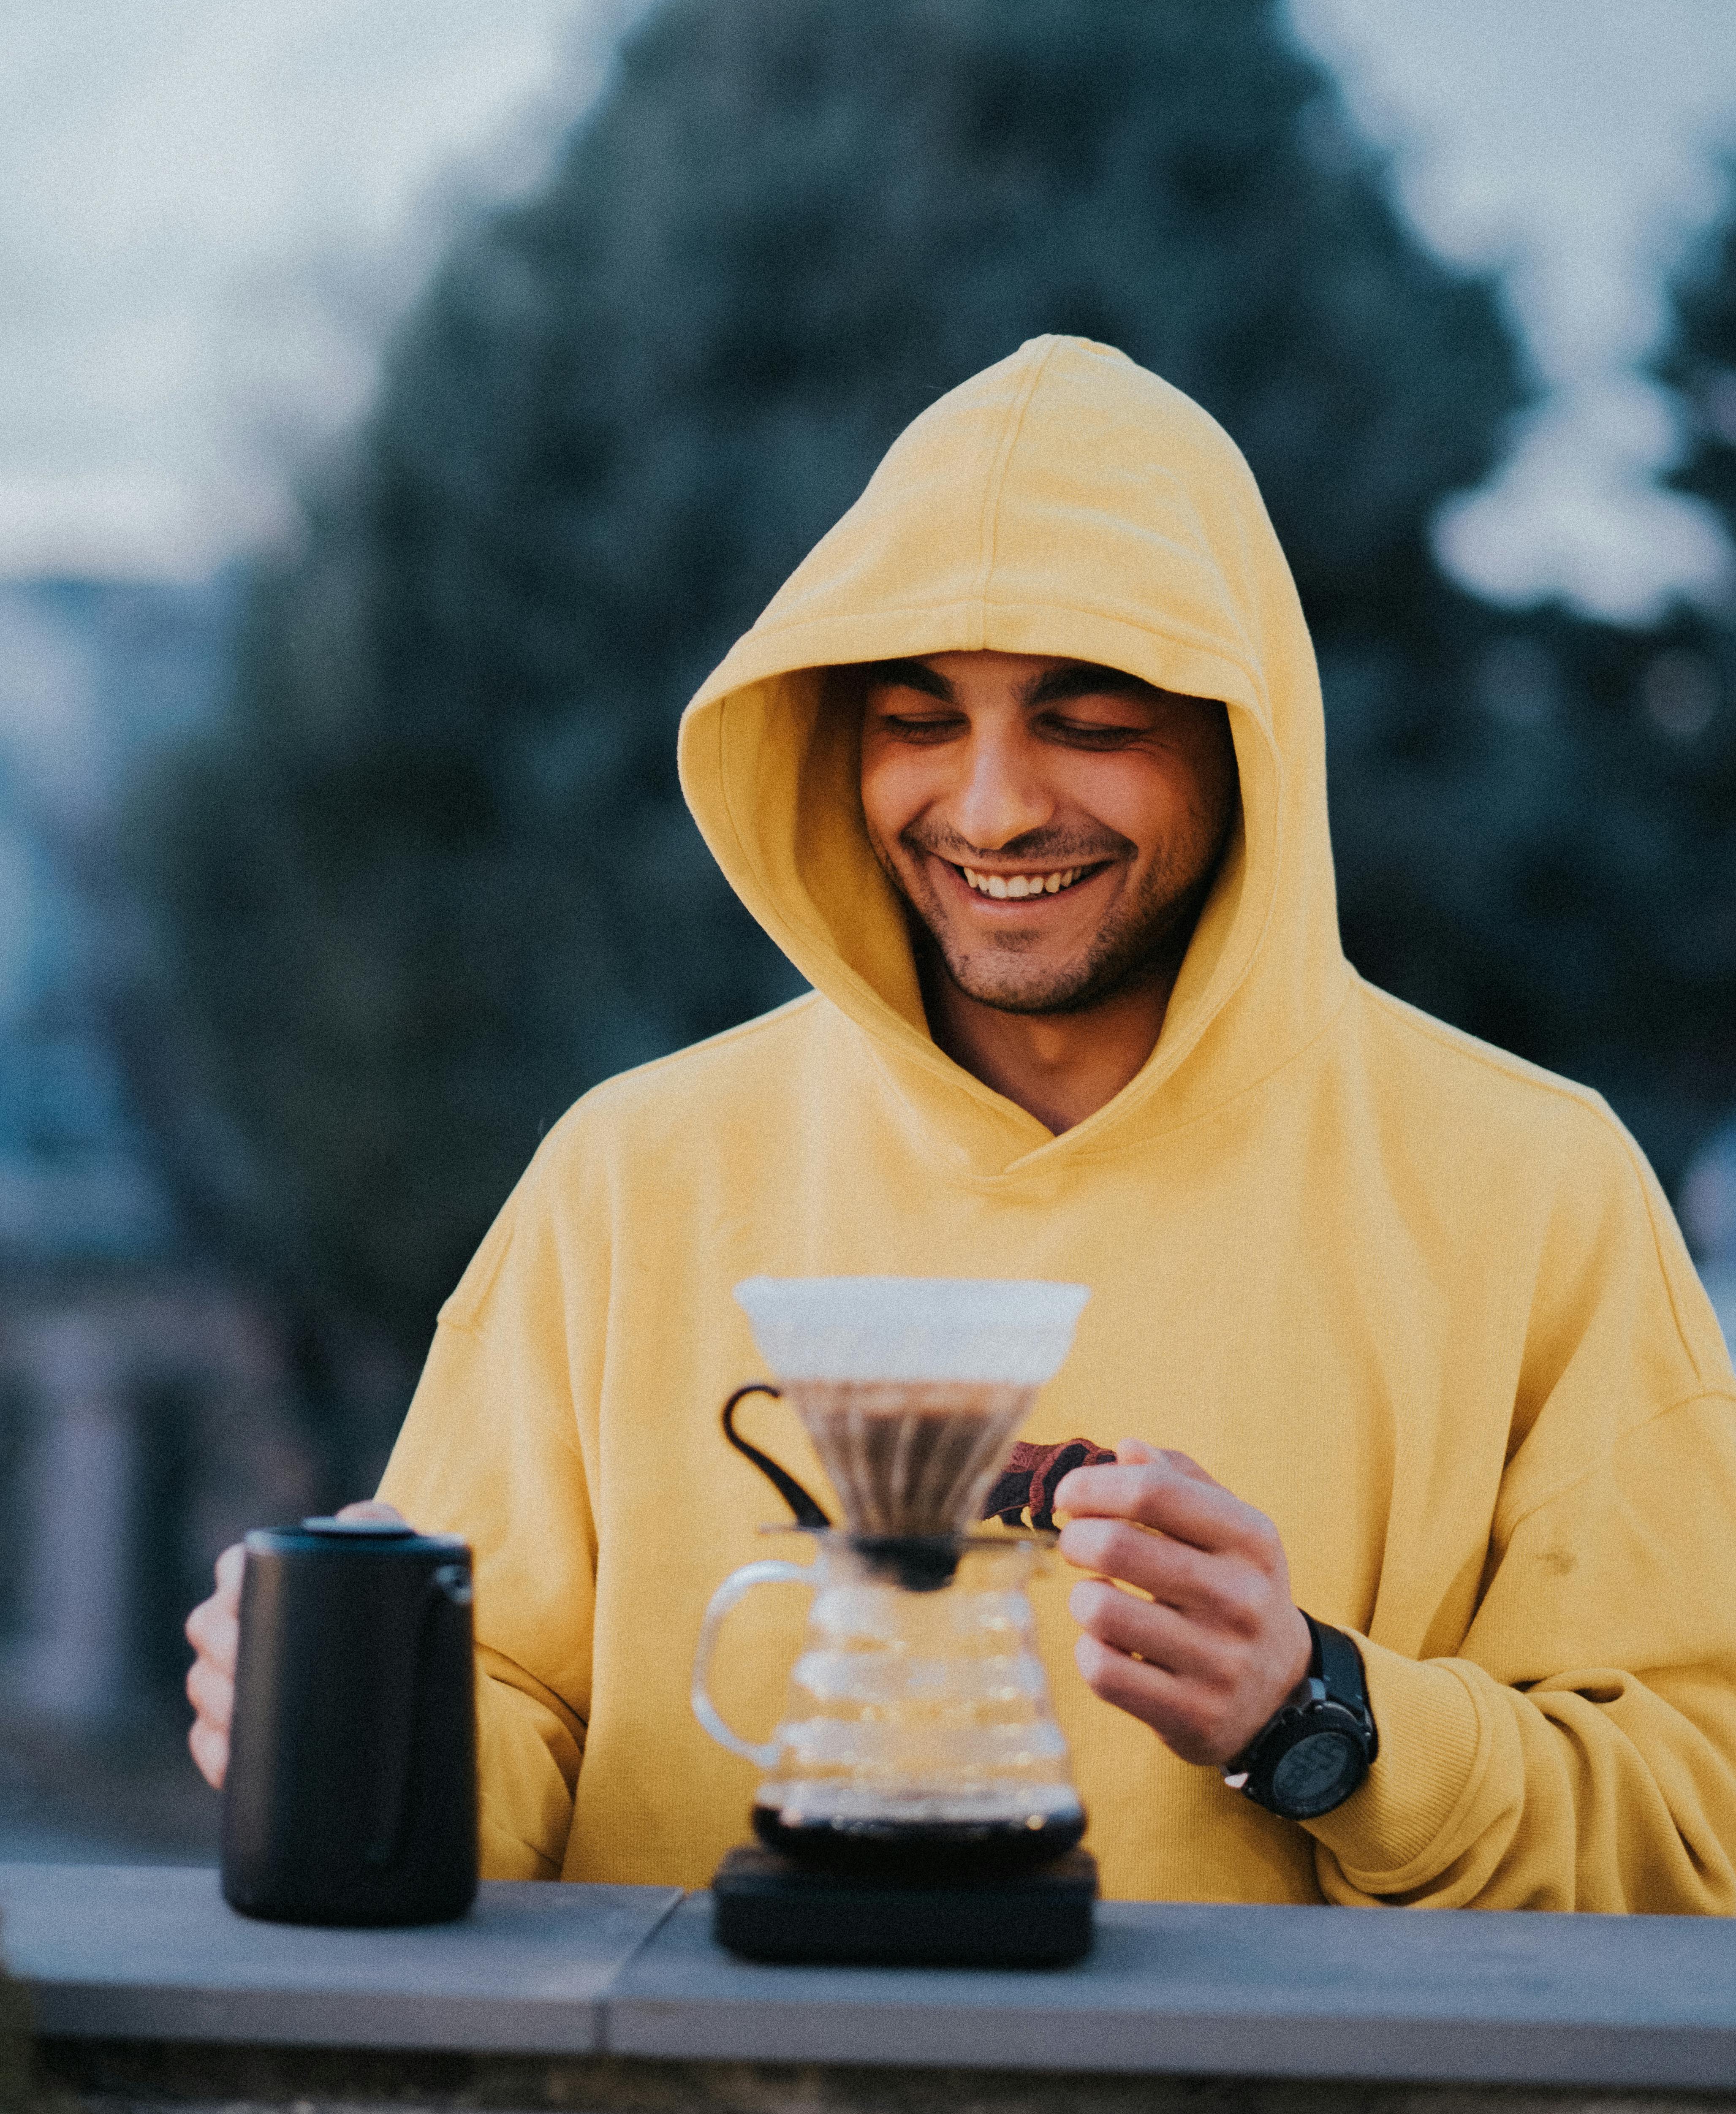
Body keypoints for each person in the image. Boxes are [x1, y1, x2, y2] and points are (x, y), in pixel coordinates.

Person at [186, 335, 1736, 1909]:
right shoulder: (630, 1177)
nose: (991, 808)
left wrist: (1321, 1711)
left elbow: (1697, 1834)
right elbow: (500, 1754)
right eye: (919, 720)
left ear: (1242, 732)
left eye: (1090, 721)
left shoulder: (1532, 1191)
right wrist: (340, 1721)